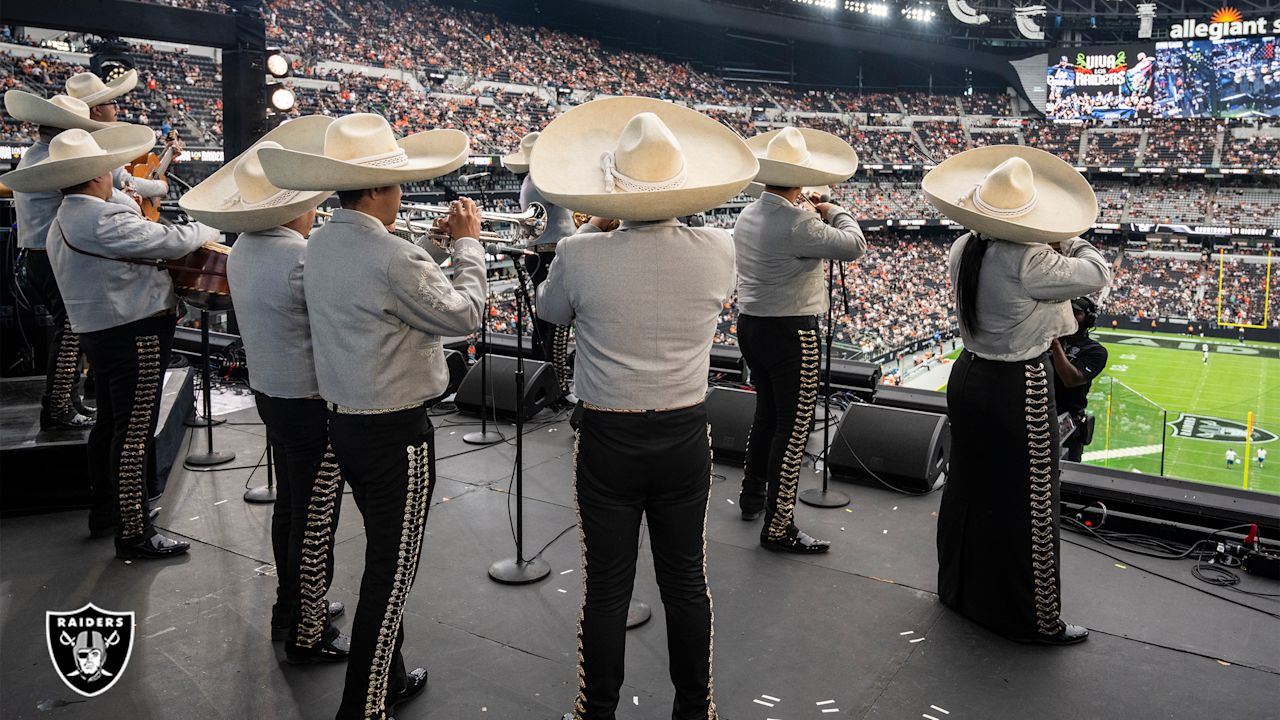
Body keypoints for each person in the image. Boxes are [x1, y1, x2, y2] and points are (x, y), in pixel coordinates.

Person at [533, 97, 756, 720]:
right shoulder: (719, 248)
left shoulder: (579, 254)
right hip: (686, 432)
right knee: (686, 583)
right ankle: (695, 708)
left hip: (607, 436)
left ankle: (596, 710)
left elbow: (550, 315)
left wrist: (591, 231)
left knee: (606, 590)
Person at [260, 112, 484, 720]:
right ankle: (366, 703)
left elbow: (380, 279)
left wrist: (428, 248)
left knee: (385, 554)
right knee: (393, 567)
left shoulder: (322, 242)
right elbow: (463, 315)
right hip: (396, 429)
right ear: (382, 190)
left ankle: (396, 673)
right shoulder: (391, 256)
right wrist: (467, 245)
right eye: (398, 184)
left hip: (346, 420)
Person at [3, 124, 221, 558]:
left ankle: (109, 509)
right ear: (98, 176)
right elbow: (170, 240)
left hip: (105, 333)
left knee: (111, 426)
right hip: (132, 332)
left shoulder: (69, 215)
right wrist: (205, 227)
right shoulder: (97, 217)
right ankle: (134, 529)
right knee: (134, 432)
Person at [923, 145, 1111, 645]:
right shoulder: (1030, 260)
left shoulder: (965, 246)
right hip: (1016, 384)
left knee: (968, 488)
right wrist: (1070, 237)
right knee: (1032, 502)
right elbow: (1097, 275)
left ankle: (959, 590)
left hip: (968, 376)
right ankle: (1035, 617)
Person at [180, 115, 349, 661]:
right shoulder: (302, 255)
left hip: (272, 392)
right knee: (316, 511)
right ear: (295, 208)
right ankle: (308, 628)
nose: (317, 210)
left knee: (292, 507)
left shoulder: (246, 249)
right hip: (309, 397)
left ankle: (293, 603)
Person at [733, 126, 865, 553]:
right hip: (792, 332)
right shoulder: (799, 222)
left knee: (766, 416)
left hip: (752, 325)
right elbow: (853, 245)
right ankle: (778, 527)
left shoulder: (748, 213)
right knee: (793, 430)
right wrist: (834, 209)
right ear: (800, 179)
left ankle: (752, 497)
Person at [3, 90, 110, 430]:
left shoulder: (37, 156)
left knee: (68, 328)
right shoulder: (54, 161)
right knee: (69, 328)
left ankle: (68, 400)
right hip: (51, 256)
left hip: (39, 254)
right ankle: (58, 405)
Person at [501, 131, 579, 394]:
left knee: (548, 321)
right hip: (548, 254)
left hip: (546, 253)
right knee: (553, 322)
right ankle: (554, 384)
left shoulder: (532, 181)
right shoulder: (541, 181)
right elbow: (572, 195)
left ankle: (548, 382)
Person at [63, 70, 171, 206]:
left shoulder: (79, 137)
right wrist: (161, 186)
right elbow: (122, 181)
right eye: (113, 103)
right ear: (96, 110)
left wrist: (165, 155)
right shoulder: (93, 142)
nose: (118, 108)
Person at [1050, 296, 1107, 462]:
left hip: (1068, 424)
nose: (1070, 317)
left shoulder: (1096, 351)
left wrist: (1055, 344)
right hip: (1038, 417)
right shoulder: (1046, 341)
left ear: (1089, 319)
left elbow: (1071, 379)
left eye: (1077, 313)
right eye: (1067, 312)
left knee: (1066, 474)